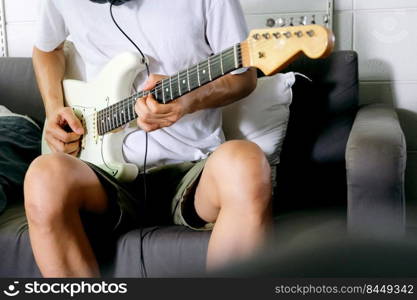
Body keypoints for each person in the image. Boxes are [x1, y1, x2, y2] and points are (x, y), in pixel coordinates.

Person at [24, 0, 272, 277]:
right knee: (43, 177)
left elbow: (244, 77)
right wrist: (54, 108)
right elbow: (47, 49)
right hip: (103, 177)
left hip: (194, 167)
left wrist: (189, 101)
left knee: (246, 163)